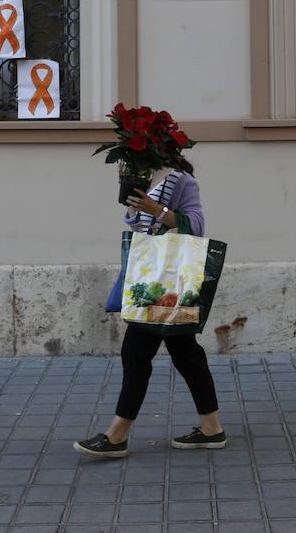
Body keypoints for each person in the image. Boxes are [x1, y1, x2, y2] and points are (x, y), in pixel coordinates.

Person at [74, 152, 226, 459]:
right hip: (153, 277)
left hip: (167, 283)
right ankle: (212, 428)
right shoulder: (145, 175)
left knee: (137, 353)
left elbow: (194, 226)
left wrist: (157, 209)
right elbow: (141, 226)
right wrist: (137, 207)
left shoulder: (182, 180)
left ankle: (117, 435)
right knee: (185, 355)